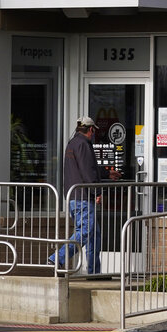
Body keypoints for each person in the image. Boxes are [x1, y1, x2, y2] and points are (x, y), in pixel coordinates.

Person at [49, 117, 104, 274]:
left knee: (94, 235)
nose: (94, 134)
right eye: (94, 131)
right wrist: (97, 192)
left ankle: (94, 272)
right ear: (91, 130)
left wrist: (106, 173)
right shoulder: (83, 144)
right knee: (85, 231)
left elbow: (82, 169)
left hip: (74, 196)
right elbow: (88, 171)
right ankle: (58, 257)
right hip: (83, 197)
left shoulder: (73, 143)